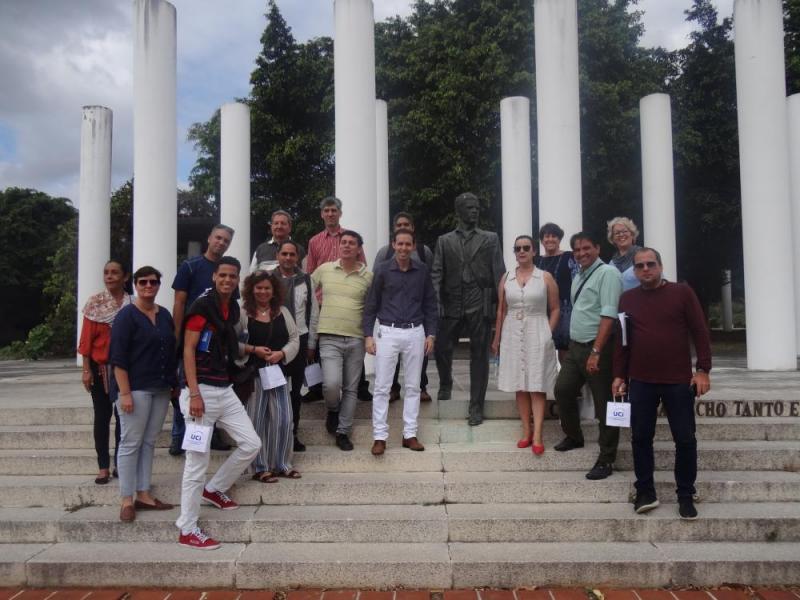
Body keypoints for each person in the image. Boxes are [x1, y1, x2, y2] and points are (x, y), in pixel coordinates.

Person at [612, 248, 712, 520]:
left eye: (651, 264)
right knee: (641, 438)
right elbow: (623, 341)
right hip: (641, 381)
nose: (646, 269)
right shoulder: (627, 299)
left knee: (685, 439)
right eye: (640, 266)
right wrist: (619, 375)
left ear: (660, 266)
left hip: (678, 381)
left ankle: (685, 494)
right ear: (634, 270)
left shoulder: (682, 293)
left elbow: (700, 332)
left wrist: (702, 370)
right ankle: (645, 491)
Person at [175, 256, 261, 550]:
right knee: (196, 463)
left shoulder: (231, 308)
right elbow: (188, 349)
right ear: (214, 277)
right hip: (200, 393)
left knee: (251, 443)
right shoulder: (201, 306)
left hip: (223, 390)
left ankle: (215, 489)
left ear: (237, 280)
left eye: (232, 276)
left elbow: (228, 345)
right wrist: (194, 393)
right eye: (222, 275)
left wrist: (252, 349)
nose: (227, 280)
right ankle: (187, 528)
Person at [109, 266, 177, 522]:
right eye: (143, 282)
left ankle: (144, 492)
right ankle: (127, 498)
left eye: (153, 282)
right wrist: (124, 393)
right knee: (130, 442)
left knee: (149, 441)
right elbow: (118, 358)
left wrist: (173, 383)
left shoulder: (164, 315)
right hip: (134, 388)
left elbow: (170, 351)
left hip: (160, 388)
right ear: (135, 284)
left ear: (159, 285)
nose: (149, 286)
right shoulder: (127, 316)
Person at [431, 192, 505, 426]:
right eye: (470, 208)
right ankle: (445, 382)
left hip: (478, 301)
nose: (475, 211)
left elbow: (499, 273)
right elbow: (436, 273)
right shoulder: (444, 241)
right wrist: (437, 301)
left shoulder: (490, 238)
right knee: (442, 347)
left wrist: (499, 305)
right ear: (459, 211)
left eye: (477, 208)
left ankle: (476, 406)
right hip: (451, 301)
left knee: (479, 356)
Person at [553, 232, 622, 480]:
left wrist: (596, 351)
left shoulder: (608, 274)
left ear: (598, 247)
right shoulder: (579, 274)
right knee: (562, 390)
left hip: (597, 348)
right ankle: (574, 436)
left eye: (586, 248)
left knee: (605, 404)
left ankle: (606, 458)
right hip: (576, 347)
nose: (582, 253)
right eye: (577, 250)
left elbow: (608, 315)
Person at [363, 228, 438, 456]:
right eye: (400, 244)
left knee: (414, 386)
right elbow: (371, 305)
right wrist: (368, 335)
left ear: (414, 246)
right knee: (382, 387)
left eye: (408, 244)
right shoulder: (383, 271)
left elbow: (430, 305)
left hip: (415, 332)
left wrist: (431, 334)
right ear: (393, 245)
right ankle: (379, 437)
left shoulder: (422, 271)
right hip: (388, 331)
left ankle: (410, 434)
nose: (404, 248)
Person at [171, 224, 237, 454]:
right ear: (209, 238)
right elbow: (179, 301)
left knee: (214, 388)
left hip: (216, 344)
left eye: (226, 240)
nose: (221, 242)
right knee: (186, 385)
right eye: (218, 237)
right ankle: (178, 434)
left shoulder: (226, 269)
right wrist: (177, 334)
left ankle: (214, 434)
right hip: (192, 335)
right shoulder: (190, 267)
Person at [491, 235, 560, 455]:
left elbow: (556, 308)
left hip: (537, 329)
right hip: (512, 332)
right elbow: (501, 309)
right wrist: (497, 338)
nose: (521, 251)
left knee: (536, 384)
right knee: (519, 384)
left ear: (533, 251)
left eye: (526, 248)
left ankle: (538, 433)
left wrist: (548, 332)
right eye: (517, 248)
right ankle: (525, 430)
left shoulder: (545, 277)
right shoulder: (507, 277)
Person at [311, 230, 373, 451]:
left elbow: (372, 309)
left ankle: (343, 432)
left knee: (351, 388)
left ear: (358, 249)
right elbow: (305, 292)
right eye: (343, 242)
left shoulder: (368, 277)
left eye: (351, 243)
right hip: (328, 336)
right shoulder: (325, 269)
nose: (346, 246)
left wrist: (369, 336)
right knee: (331, 384)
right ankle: (333, 409)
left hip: (356, 338)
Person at [306, 196, 371, 403]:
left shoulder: (350, 238)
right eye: (326, 210)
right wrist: (316, 300)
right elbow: (310, 273)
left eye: (334, 210)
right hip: (324, 301)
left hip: (349, 299)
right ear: (322, 214)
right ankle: (317, 388)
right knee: (318, 349)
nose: (330, 214)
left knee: (354, 344)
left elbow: (362, 266)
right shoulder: (314, 241)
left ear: (340, 213)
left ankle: (360, 387)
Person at [237, 270, 300, 482]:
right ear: (251, 290)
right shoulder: (243, 313)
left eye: (267, 288)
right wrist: (253, 350)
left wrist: (281, 354)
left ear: (273, 290)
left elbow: (294, 338)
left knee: (283, 419)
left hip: (277, 373)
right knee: (256, 420)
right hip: (253, 374)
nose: (263, 292)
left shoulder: (282, 311)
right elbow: (233, 343)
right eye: (259, 288)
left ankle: (282, 463)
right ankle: (260, 466)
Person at [373, 212, 435, 404]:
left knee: (419, 354)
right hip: (391, 318)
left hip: (417, 312)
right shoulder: (385, 253)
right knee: (390, 358)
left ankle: (422, 385)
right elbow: (377, 284)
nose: (403, 227)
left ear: (412, 228)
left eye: (406, 224)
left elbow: (431, 281)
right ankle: (392, 387)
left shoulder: (425, 252)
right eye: (399, 225)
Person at [78, 260, 130, 485]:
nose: (109, 276)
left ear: (125, 277)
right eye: (106, 272)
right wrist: (86, 371)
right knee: (102, 417)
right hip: (100, 370)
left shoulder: (132, 304)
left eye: (114, 272)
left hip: (125, 371)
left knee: (123, 419)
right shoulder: (95, 304)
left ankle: (121, 463)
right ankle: (102, 466)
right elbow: (86, 341)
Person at [274, 240, 319, 452]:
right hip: (274, 341)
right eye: (284, 254)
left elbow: (313, 312)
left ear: (297, 258)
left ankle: (293, 433)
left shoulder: (305, 280)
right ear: (278, 256)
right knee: (274, 389)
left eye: (292, 255)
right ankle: (274, 433)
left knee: (295, 392)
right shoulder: (267, 279)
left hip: (299, 341)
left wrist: (311, 343)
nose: (288, 258)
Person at [534, 222, 579, 360]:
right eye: (546, 236)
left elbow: (577, 280)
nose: (550, 239)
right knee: (543, 347)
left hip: (565, 309)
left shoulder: (569, 257)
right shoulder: (537, 260)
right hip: (542, 309)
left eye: (554, 236)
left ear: (559, 239)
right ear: (541, 240)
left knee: (565, 350)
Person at [607, 217, 642, 292]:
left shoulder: (643, 255)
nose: (621, 235)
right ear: (612, 239)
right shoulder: (611, 263)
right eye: (617, 233)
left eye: (625, 231)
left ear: (632, 234)